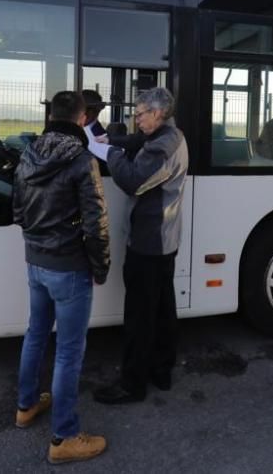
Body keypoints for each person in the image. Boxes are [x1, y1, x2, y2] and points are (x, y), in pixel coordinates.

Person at [12, 90, 111, 464]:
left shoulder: (28, 152)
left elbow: (18, 210)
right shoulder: (82, 160)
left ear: (51, 114)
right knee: (69, 352)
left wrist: (37, 242)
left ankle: (26, 406)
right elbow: (96, 222)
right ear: (82, 119)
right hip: (69, 267)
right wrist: (100, 266)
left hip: (35, 261)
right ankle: (64, 438)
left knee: (36, 333)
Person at [85, 87, 189, 404]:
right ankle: (161, 371)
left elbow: (132, 179)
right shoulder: (169, 134)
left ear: (157, 113)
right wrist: (111, 141)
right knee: (161, 310)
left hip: (149, 241)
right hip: (163, 239)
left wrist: (110, 154)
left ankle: (132, 385)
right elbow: (138, 141)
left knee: (140, 316)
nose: (135, 120)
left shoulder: (163, 147)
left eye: (140, 114)